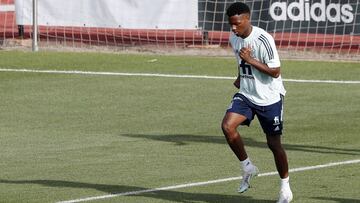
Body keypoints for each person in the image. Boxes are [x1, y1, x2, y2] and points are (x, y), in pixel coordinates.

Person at [221, 2, 293, 203]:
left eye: (237, 24)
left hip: (270, 98)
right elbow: (240, 61)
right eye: (231, 24)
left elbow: (275, 71)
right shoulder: (234, 38)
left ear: (247, 19)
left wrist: (251, 60)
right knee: (227, 126)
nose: (234, 28)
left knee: (273, 144)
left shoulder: (264, 39)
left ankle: (285, 188)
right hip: (247, 94)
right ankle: (247, 167)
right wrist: (240, 76)